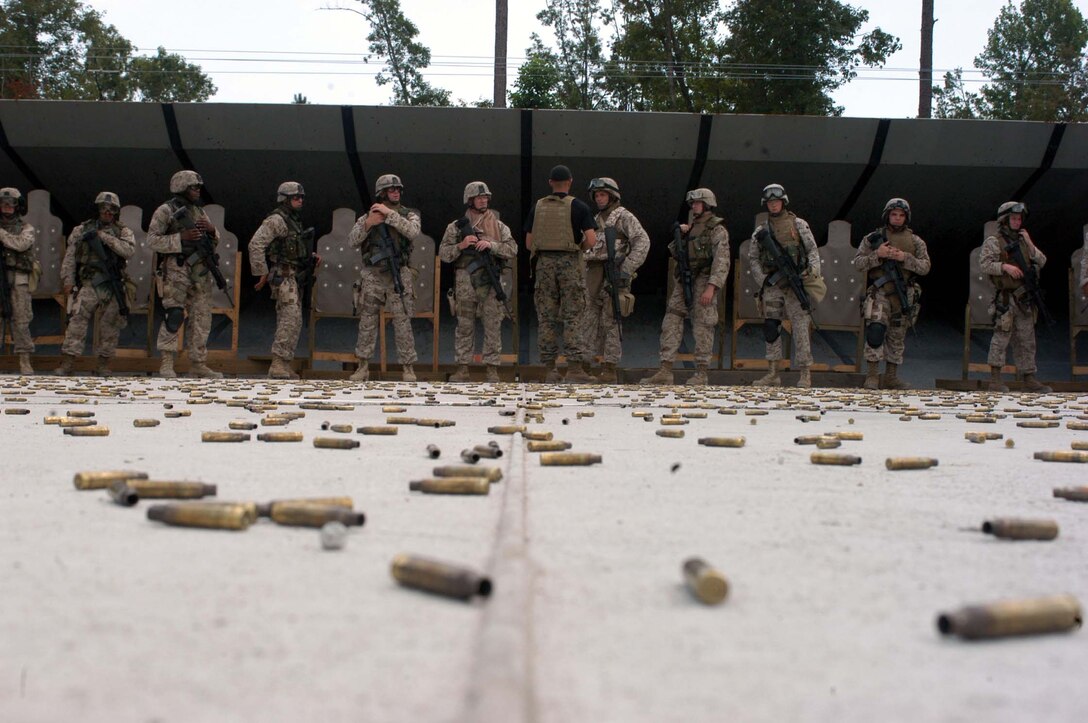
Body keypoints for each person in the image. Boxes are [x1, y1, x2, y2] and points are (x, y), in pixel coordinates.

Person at [641, 188, 729, 386]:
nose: (694, 206)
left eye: (697, 203)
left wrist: (711, 287)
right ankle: (665, 369)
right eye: (693, 204)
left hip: (704, 280)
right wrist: (680, 234)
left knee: (703, 325)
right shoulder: (691, 227)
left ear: (707, 204)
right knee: (671, 320)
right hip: (685, 280)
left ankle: (701, 372)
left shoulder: (717, 229)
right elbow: (675, 251)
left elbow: (722, 261)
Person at [438, 181, 517, 383]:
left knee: (492, 324)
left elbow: (512, 250)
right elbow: (444, 254)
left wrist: (491, 245)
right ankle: (463, 368)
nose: (483, 200)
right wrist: (461, 245)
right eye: (479, 197)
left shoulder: (499, 226)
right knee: (464, 325)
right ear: (470, 200)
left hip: (490, 281)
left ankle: (492, 369)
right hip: (465, 281)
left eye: (485, 197)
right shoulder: (456, 227)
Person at [525, 165, 597, 383]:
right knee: (572, 316)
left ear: (550, 183)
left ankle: (550, 370)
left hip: (544, 265)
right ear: (570, 181)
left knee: (546, 319)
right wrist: (578, 249)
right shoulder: (580, 206)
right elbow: (591, 240)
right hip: (570, 265)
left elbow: (529, 243)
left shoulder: (538, 207)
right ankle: (574, 370)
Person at [148, 170, 223, 379]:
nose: (198, 190)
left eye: (199, 187)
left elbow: (213, 241)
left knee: (202, 316)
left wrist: (211, 230)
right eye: (193, 187)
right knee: (174, 314)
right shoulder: (166, 210)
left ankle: (198, 362)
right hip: (177, 269)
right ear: (181, 187)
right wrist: (180, 238)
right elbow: (152, 240)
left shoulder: (200, 212)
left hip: (200, 271)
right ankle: (166, 362)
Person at [852, 198, 931, 390]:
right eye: (894, 214)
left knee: (897, 335)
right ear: (887, 216)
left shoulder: (915, 241)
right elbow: (857, 263)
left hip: (904, 293)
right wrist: (877, 255)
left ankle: (891, 377)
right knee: (875, 331)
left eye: (901, 215)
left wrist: (905, 258)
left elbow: (925, 267)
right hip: (880, 292)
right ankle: (872, 376)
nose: (897, 218)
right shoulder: (873, 238)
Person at [55, 192, 136, 376]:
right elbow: (70, 258)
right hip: (90, 282)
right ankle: (68, 362)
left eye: (112, 210)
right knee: (76, 321)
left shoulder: (123, 231)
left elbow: (128, 251)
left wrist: (105, 237)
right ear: (97, 209)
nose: (107, 212)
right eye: (104, 208)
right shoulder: (81, 230)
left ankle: (103, 364)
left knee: (111, 324)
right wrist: (68, 281)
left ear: (116, 212)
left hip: (112, 284)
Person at [349, 173, 420, 382]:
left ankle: (408, 367)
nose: (396, 192)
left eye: (398, 189)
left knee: (403, 322)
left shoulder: (408, 215)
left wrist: (390, 215)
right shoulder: (367, 216)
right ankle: (362, 366)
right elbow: (352, 241)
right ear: (382, 193)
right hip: (373, 275)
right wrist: (369, 223)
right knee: (367, 322)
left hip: (399, 272)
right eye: (391, 189)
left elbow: (413, 232)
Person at [748, 183, 820, 388]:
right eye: (770, 202)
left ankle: (805, 373)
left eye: (776, 202)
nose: (773, 205)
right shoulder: (761, 231)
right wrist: (762, 279)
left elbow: (812, 251)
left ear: (783, 202)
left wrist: (811, 274)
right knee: (771, 326)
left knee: (800, 328)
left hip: (795, 284)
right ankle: (773, 373)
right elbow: (753, 258)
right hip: (772, 285)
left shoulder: (798, 225)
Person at [581, 177, 650, 383]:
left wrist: (626, 270)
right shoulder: (594, 219)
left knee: (611, 322)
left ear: (612, 196)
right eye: (597, 195)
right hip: (593, 275)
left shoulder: (623, 217)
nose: (599, 199)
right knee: (588, 321)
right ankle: (584, 365)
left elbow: (643, 242)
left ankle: (609, 368)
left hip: (614, 275)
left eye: (603, 195)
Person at [249, 181, 318, 380]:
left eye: (302, 197)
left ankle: (285, 363)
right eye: (296, 197)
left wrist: (310, 256)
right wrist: (261, 272)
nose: (300, 200)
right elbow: (256, 244)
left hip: (294, 275)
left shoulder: (293, 220)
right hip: (283, 274)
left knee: (294, 319)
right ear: (285, 199)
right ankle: (278, 362)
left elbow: (293, 247)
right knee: (289, 316)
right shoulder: (277, 220)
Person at [980, 201, 1051, 393]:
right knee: (1001, 337)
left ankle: (1029, 377)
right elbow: (985, 264)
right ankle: (995, 379)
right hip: (1006, 297)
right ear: (1004, 220)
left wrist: (1028, 242)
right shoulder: (994, 241)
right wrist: (1004, 267)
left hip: (1024, 298)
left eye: (1019, 219)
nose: (1017, 222)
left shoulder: (1023, 241)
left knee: (1027, 339)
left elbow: (1042, 261)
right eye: (1013, 218)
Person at [0, 187, 36, 375]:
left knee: (21, 320)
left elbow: (21, 244)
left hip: (18, 278)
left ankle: (24, 359)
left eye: (11, 203)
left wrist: (2, 235)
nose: (7, 207)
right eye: (3, 203)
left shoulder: (26, 228)